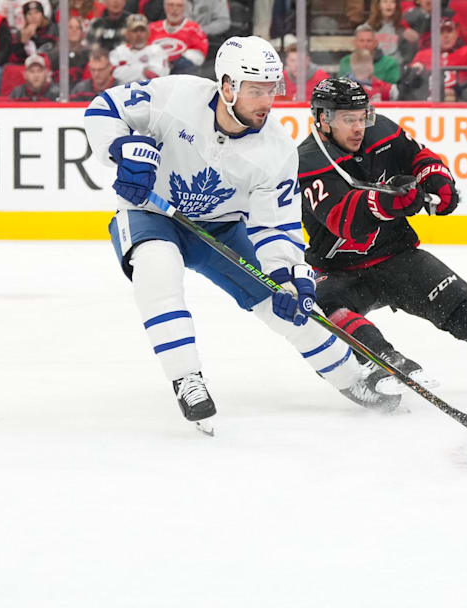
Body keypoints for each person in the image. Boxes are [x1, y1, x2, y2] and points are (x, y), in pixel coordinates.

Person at [82, 37, 388, 429]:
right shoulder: (176, 96)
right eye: (255, 90)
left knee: (283, 305)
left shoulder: (276, 150)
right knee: (157, 272)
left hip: (222, 228)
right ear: (227, 86)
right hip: (151, 212)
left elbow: (275, 224)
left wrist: (287, 276)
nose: (266, 101)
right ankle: (187, 378)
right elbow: (104, 108)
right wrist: (120, 149)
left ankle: (351, 379)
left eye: (271, 90)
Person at [296, 78, 467, 407]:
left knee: (463, 306)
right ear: (323, 119)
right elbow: (344, 221)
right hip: (339, 271)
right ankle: (384, 361)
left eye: (362, 116)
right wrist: (388, 202)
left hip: (395, 255)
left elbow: (420, 156)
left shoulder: (383, 132)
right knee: (319, 308)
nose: (358, 127)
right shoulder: (307, 160)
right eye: (348, 119)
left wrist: (436, 179)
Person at [403, 15, 467, 102]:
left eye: (449, 31)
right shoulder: (422, 55)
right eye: (441, 32)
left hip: (461, 101)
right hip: (427, 102)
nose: (446, 36)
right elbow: (412, 84)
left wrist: (457, 91)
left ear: (456, 33)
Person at [148, 0, 207, 75]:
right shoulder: (152, 28)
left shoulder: (194, 29)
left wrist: (174, 63)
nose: (175, 9)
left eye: (179, 5)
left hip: (181, 74)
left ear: (185, 8)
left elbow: (199, 57)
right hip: (152, 72)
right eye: (171, 5)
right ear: (165, 7)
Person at [110, 13, 168, 84]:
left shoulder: (157, 50)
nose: (139, 34)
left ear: (148, 33)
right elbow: (115, 75)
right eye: (135, 31)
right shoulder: (118, 51)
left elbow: (159, 75)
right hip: (123, 92)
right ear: (127, 34)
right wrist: (143, 70)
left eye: (142, 30)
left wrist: (128, 69)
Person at [364, 0, 417, 65]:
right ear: (378, 6)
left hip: (397, 66)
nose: (389, 5)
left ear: (396, 6)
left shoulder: (401, 26)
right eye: (385, 2)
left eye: (392, 2)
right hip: (375, 65)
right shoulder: (367, 27)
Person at [48, 14, 90, 85]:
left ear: (82, 32)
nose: (74, 31)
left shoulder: (88, 54)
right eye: (70, 27)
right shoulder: (53, 55)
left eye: (78, 28)